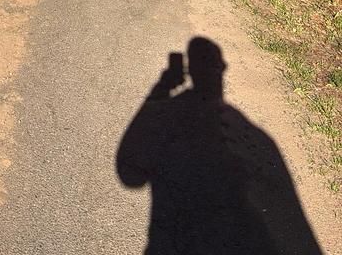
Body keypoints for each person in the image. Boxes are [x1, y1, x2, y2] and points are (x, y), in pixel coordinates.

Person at [116, 37, 323, 255]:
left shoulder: (168, 114)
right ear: (222, 68)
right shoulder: (251, 132)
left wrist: (162, 87)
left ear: (189, 70)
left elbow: (130, 175)